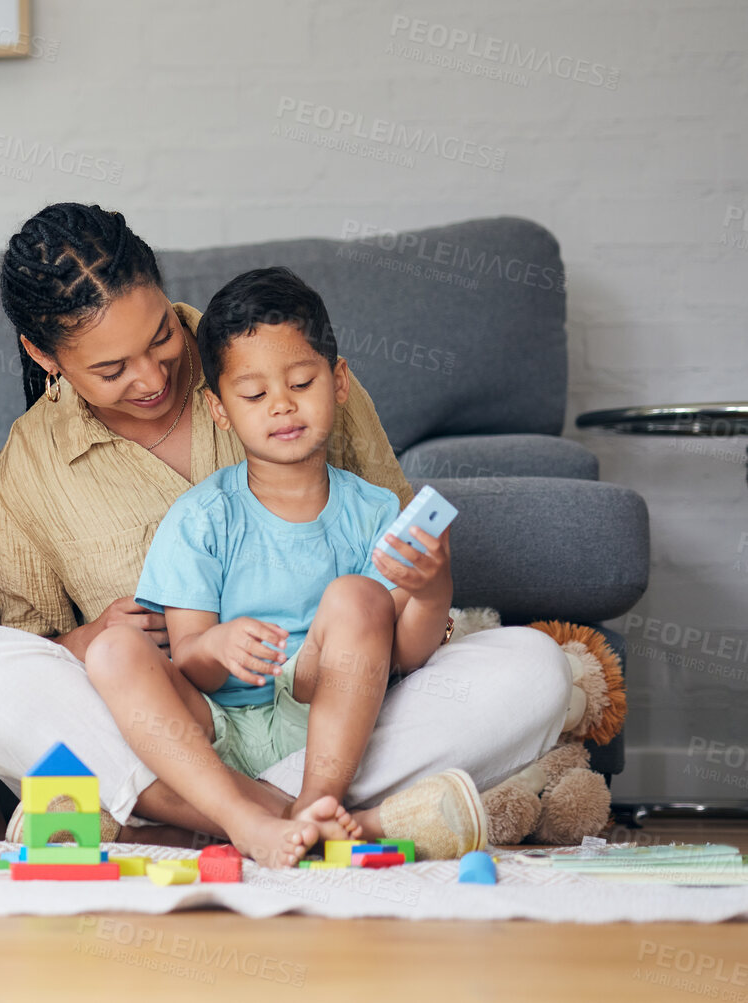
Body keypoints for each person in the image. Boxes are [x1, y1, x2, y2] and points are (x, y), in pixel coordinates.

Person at [0, 202, 566, 852]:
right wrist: (90, 635)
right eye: (110, 368)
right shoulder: (31, 464)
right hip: (175, 723)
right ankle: (300, 819)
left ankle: (179, 824)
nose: (150, 377)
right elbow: (25, 645)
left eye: (158, 338)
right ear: (43, 354)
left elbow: (399, 579)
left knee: (535, 669)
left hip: (338, 708)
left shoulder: (274, 359)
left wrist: (421, 588)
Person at [82, 266, 479, 867]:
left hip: (332, 714)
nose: (283, 407)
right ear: (219, 410)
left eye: (301, 382)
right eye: (254, 395)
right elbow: (189, 662)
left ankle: (316, 808)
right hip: (216, 728)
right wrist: (219, 646)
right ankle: (243, 818)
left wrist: (432, 587)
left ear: (339, 381)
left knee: (513, 659)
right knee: (111, 651)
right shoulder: (200, 518)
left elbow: (405, 655)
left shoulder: (374, 510)